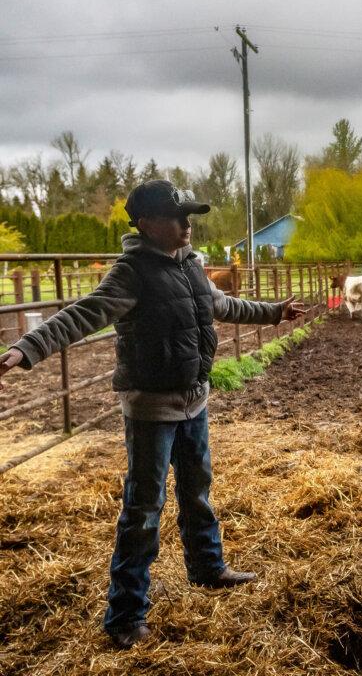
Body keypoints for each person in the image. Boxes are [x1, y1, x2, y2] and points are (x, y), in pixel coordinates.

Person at [0, 180, 307, 649]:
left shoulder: (194, 265)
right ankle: (125, 615)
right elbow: (83, 314)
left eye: (189, 216)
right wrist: (27, 347)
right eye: (176, 217)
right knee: (144, 507)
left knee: (197, 488)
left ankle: (207, 567)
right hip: (151, 406)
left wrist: (273, 314)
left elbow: (221, 305)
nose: (187, 225)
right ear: (146, 224)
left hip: (194, 399)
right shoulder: (131, 272)